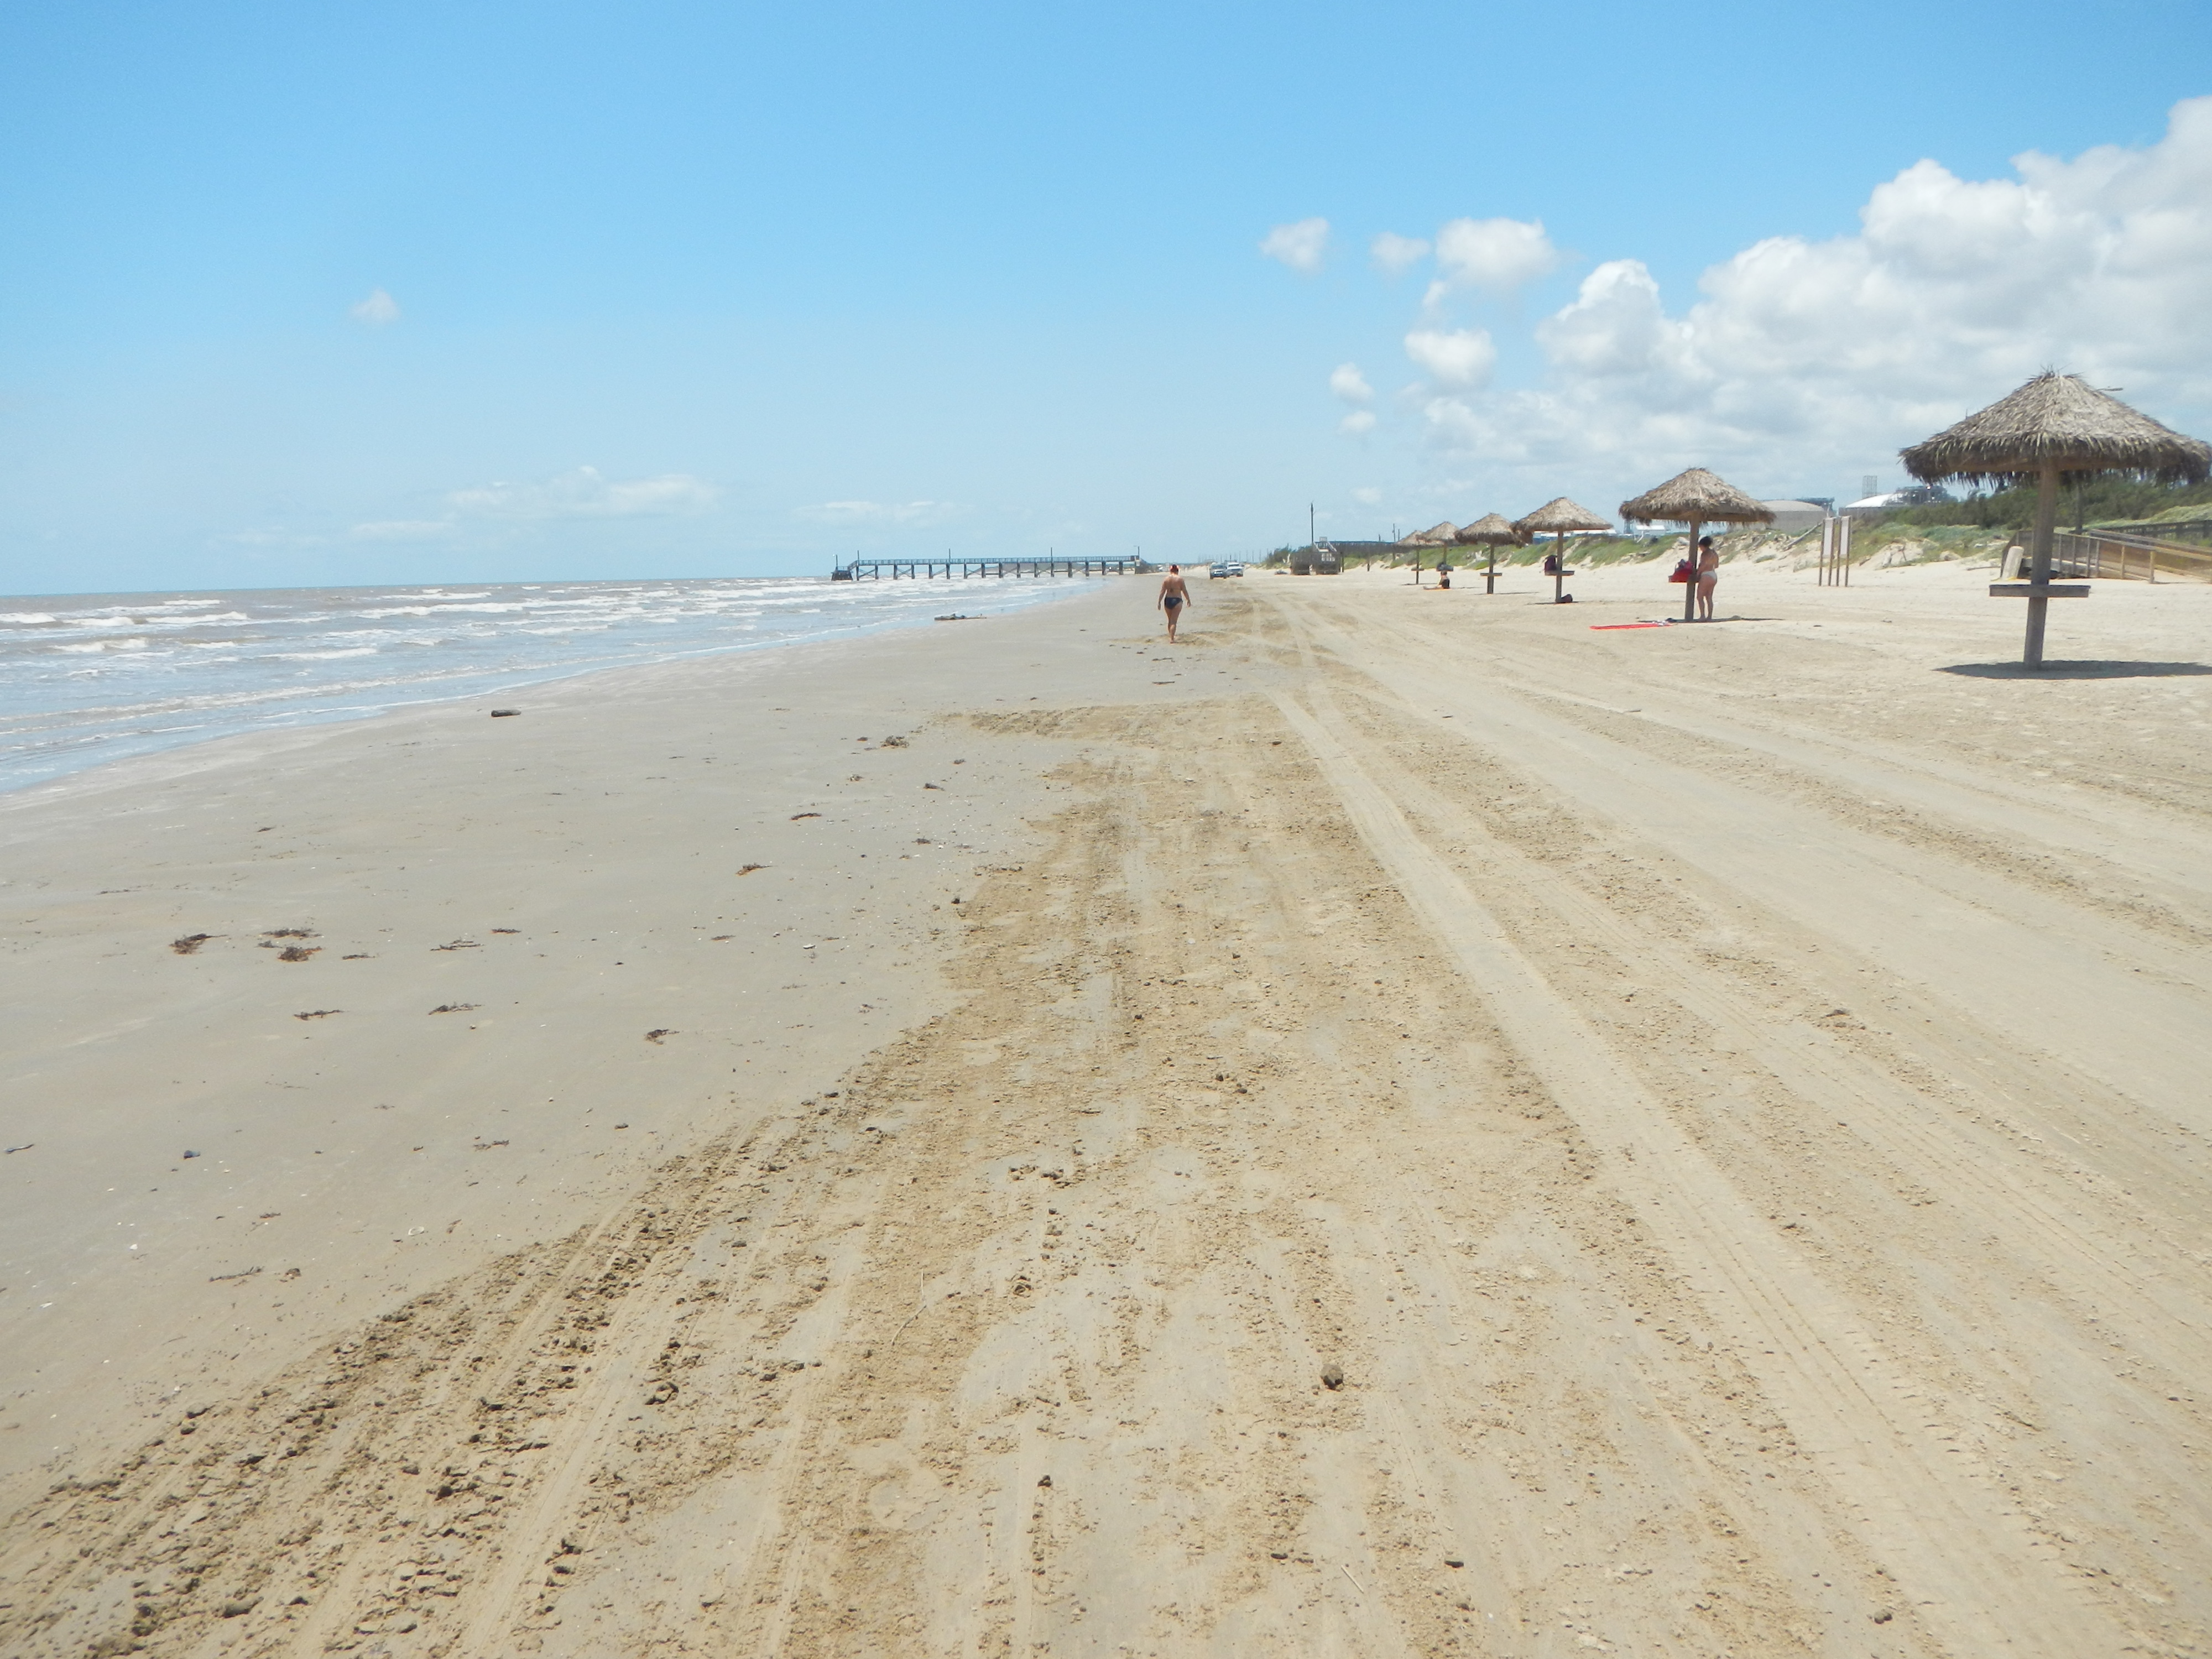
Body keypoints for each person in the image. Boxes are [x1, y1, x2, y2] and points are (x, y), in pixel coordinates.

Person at [1157, 564, 1191, 641]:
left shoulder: (1166, 579)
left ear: (1171, 571)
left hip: (1168, 600)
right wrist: (1188, 600)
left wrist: (1159, 602)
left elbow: (1162, 592)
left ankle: (1171, 636)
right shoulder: (1180, 579)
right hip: (1177, 600)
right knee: (1174, 621)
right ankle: (1172, 639)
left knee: (1170, 620)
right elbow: (1184, 591)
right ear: (1177, 571)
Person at [1695, 536, 1719, 620]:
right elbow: (1717, 565)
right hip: (1713, 575)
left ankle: (1702, 616)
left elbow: (1703, 565)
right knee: (1709, 597)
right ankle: (1710, 617)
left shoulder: (1705, 554)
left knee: (1700, 597)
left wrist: (1698, 574)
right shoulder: (1714, 553)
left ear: (1703, 545)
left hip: (1706, 575)